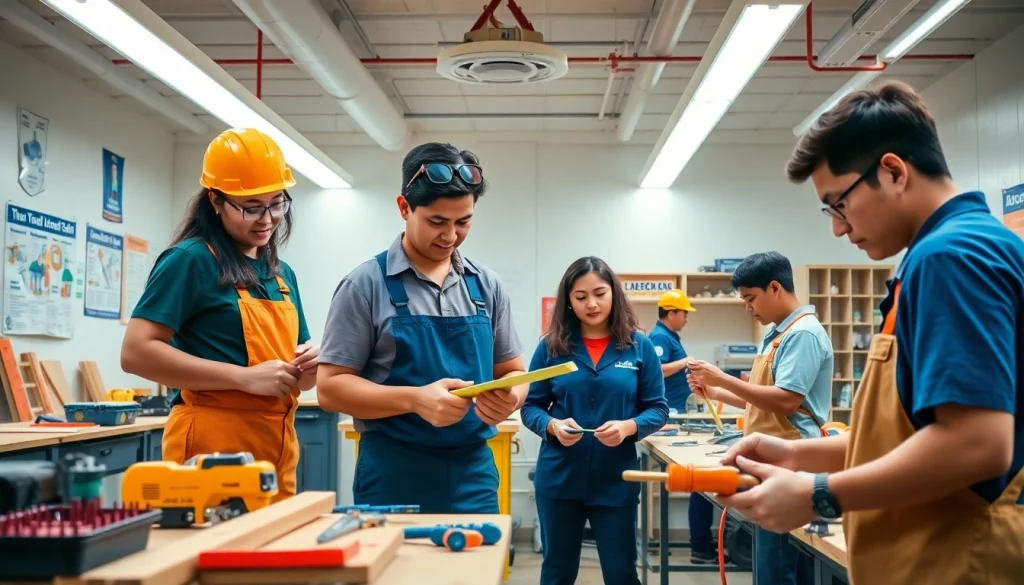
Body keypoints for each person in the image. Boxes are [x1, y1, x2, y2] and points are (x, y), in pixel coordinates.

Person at [714, 81, 1024, 585]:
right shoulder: (948, 253)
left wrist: (819, 493)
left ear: (893, 171)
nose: (838, 228)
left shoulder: (950, 258)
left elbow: (977, 444)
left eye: (839, 204)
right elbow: (915, 434)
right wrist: (796, 455)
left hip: (961, 560)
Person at [316, 142, 527, 514]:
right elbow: (331, 389)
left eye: (463, 222)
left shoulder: (485, 285)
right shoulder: (364, 285)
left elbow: (513, 371)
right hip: (393, 471)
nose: (450, 236)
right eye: (436, 222)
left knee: (472, 572)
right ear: (404, 207)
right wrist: (414, 399)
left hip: (473, 471)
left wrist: (512, 398)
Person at [121, 128, 318, 502]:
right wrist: (242, 379)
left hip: (276, 449)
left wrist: (311, 366)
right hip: (211, 445)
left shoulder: (282, 274)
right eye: (251, 206)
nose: (267, 219)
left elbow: (299, 381)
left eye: (277, 203)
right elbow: (136, 352)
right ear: (215, 200)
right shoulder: (190, 260)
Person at [521, 256, 669, 585]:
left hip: (616, 480)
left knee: (621, 573)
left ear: (614, 294)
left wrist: (629, 427)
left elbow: (658, 409)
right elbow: (531, 407)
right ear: (568, 302)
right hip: (560, 480)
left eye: (600, 293)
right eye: (581, 296)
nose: (592, 304)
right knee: (557, 572)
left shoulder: (638, 346)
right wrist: (552, 426)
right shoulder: (551, 347)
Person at [688, 251, 832, 585]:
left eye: (751, 298)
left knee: (778, 567)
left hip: (791, 459)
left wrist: (722, 378)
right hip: (771, 457)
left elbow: (785, 401)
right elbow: (760, 396)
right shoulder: (777, 334)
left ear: (775, 287)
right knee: (771, 561)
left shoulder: (803, 334)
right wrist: (715, 392)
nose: (749, 307)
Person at [647, 289, 718, 564]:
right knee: (699, 480)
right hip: (670, 418)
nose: (686, 319)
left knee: (701, 480)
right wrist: (686, 361)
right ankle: (700, 546)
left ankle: (702, 545)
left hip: (679, 416)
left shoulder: (669, 337)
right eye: (684, 313)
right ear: (671, 313)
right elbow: (657, 369)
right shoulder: (659, 338)